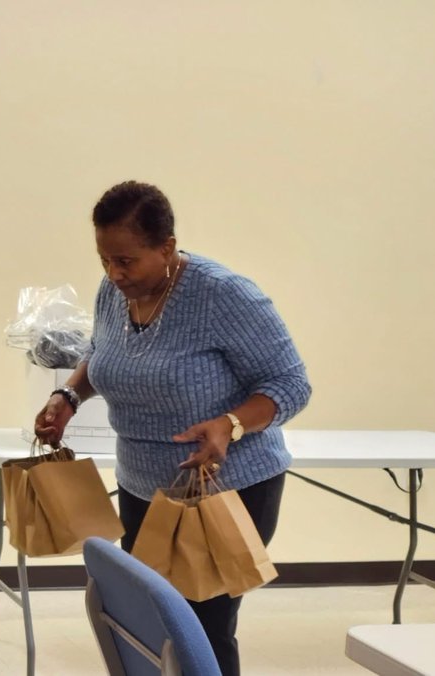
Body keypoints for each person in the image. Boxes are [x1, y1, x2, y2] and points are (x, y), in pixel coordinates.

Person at [34, 180, 311, 676]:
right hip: (143, 486)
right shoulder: (115, 292)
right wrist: (69, 396)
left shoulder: (225, 295)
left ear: (167, 247)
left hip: (224, 489)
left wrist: (230, 424)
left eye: (127, 261)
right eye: (104, 260)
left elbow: (290, 383)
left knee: (200, 628)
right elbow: (102, 355)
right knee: (145, 622)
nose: (114, 273)